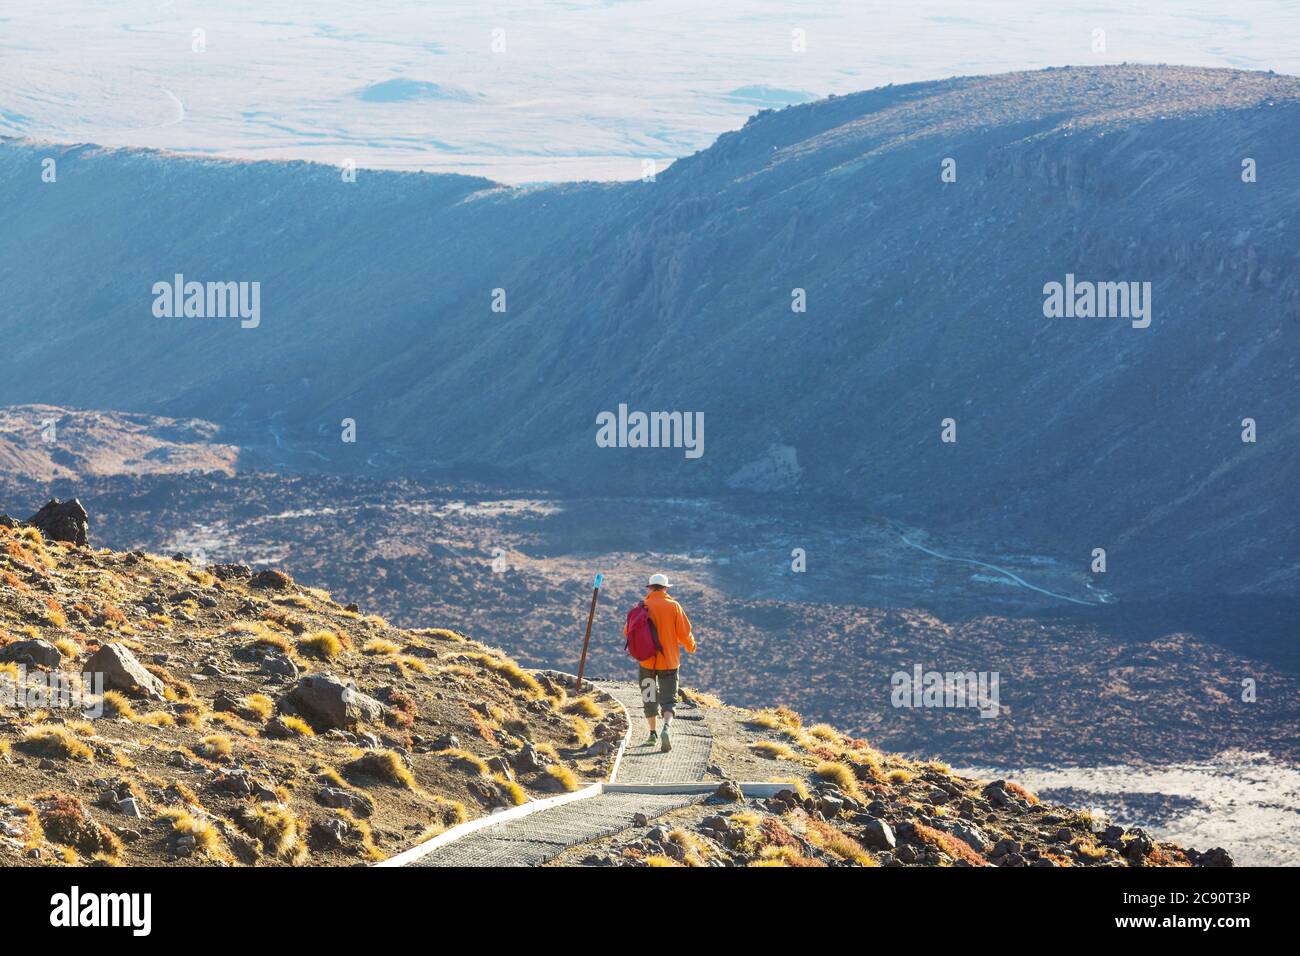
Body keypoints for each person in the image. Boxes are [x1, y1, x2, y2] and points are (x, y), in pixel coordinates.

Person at [627, 572, 696, 752]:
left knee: (649, 695)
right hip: (669, 662)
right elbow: (684, 632)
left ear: (650, 588)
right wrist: (690, 646)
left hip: (647, 662)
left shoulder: (642, 606)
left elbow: (627, 632)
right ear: (665, 588)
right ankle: (667, 727)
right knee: (669, 699)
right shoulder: (674, 606)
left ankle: (652, 734)